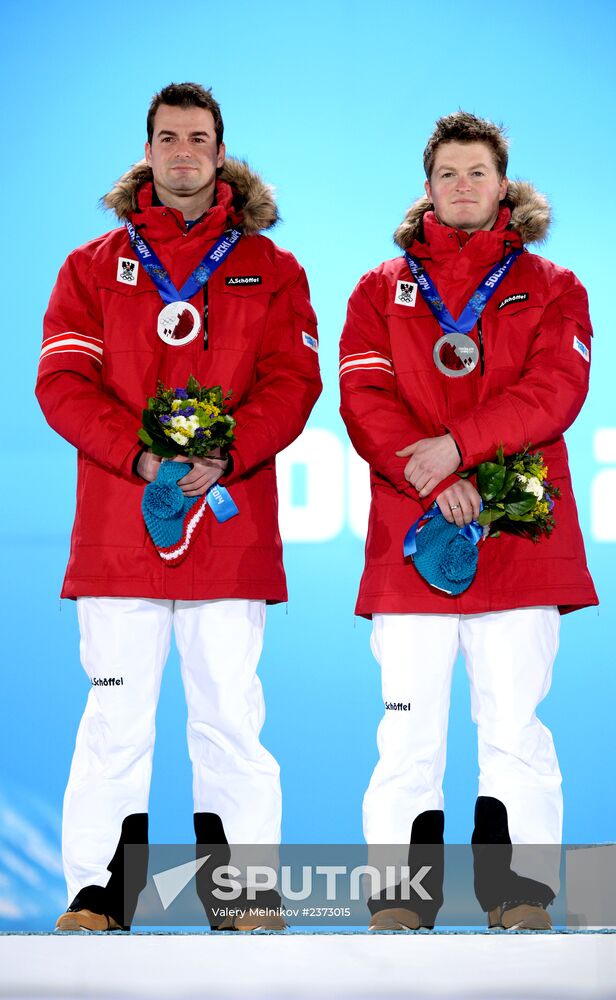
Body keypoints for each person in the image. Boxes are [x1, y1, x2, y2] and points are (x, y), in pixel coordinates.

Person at [37, 82, 321, 932]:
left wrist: (226, 457)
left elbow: (294, 382)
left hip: (227, 527)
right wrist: (144, 456)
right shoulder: (91, 267)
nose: (185, 152)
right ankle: (102, 892)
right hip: (121, 525)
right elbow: (61, 383)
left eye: (200, 138)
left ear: (222, 152)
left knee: (230, 715)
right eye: (170, 138)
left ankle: (237, 894)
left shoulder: (272, 269)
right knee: (116, 714)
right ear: (148, 151)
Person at [339, 111, 597, 931]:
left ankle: (517, 893)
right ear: (427, 188)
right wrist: (433, 476)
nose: (461, 187)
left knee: (514, 723)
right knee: (408, 726)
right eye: (447, 174)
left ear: (503, 185)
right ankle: (401, 900)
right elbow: (364, 399)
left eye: (476, 173)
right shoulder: (378, 290)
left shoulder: (556, 287)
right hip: (414, 535)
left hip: (518, 530)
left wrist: (459, 453)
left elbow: (556, 392)